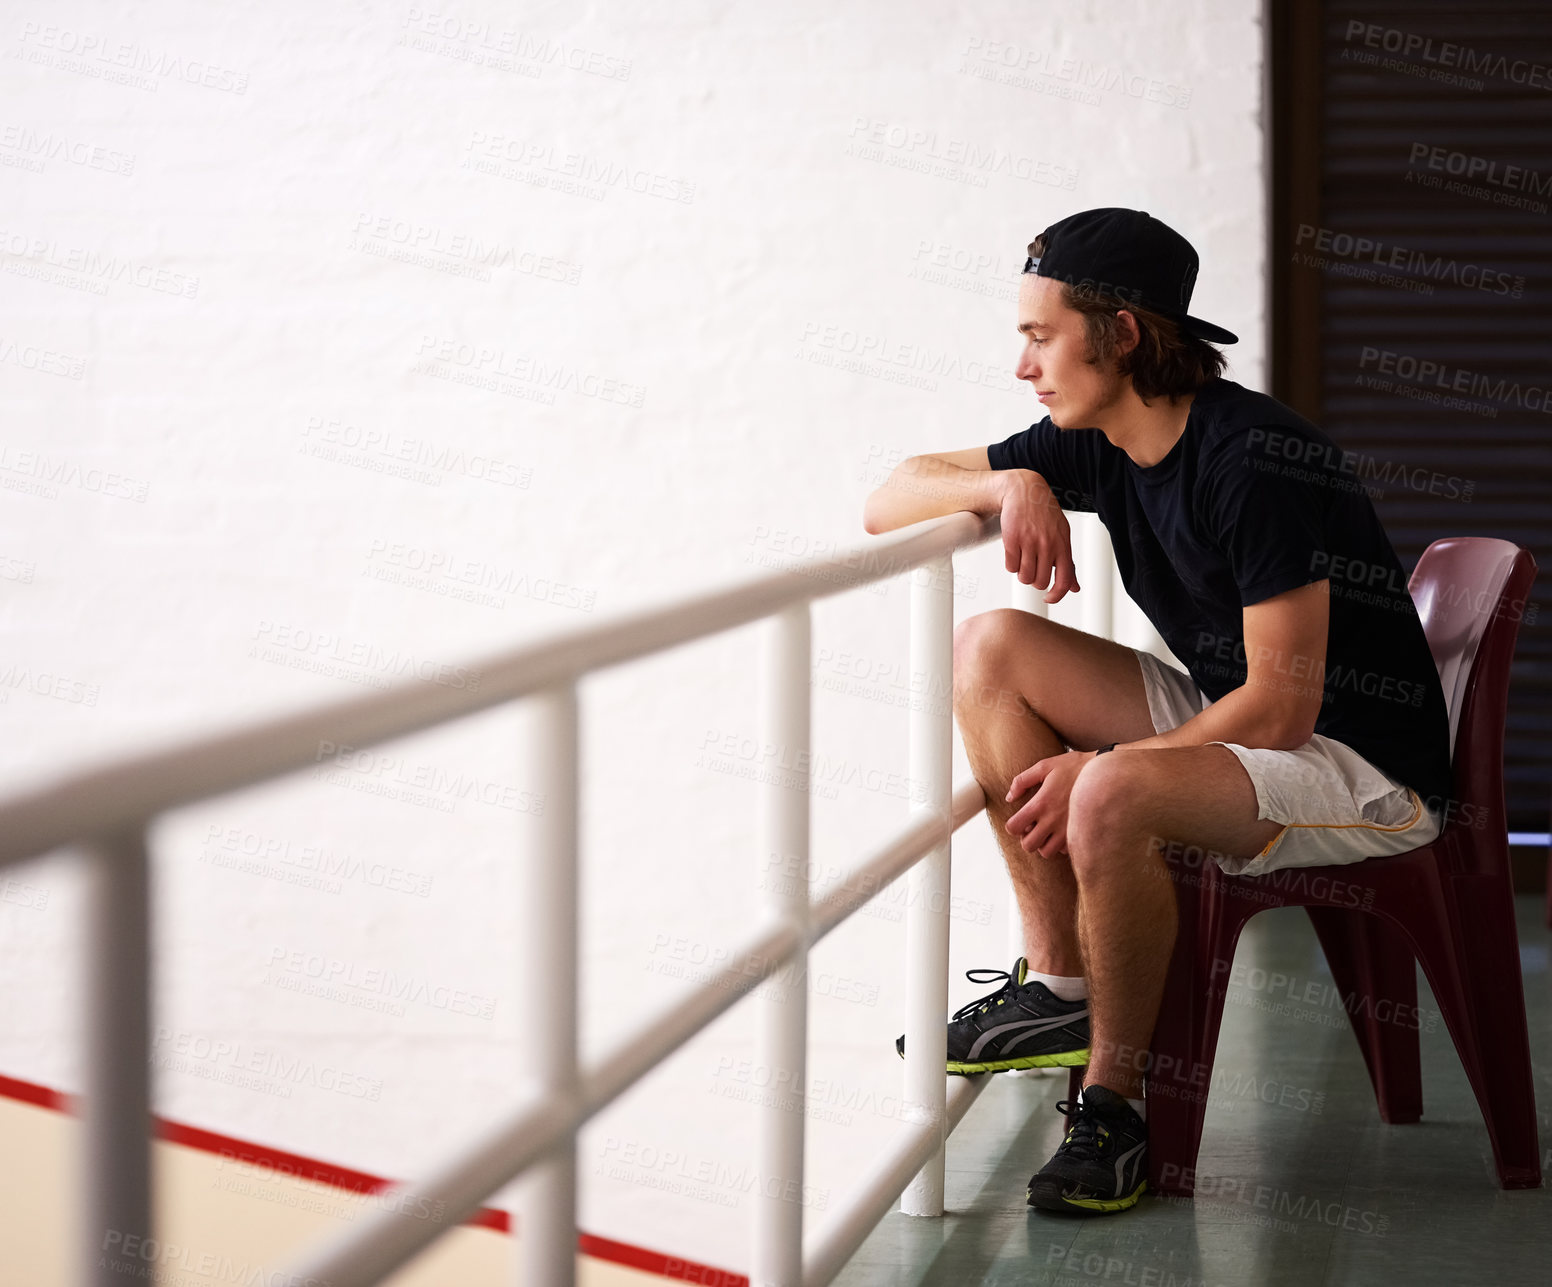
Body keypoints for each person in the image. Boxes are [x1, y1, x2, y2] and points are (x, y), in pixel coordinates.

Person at [862, 206, 1453, 1215]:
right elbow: (889, 496)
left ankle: (1114, 1110)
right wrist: (1012, 485)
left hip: (1359, 766)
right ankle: (1058, 991)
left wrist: (1103, 771)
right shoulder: (1096, 445)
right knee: (992, 646)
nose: (1023, 367)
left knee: (1114, 793)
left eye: (1040, 337)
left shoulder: (1254, 460)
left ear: (1122, 334)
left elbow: (1280, 705)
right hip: (1250, 717)